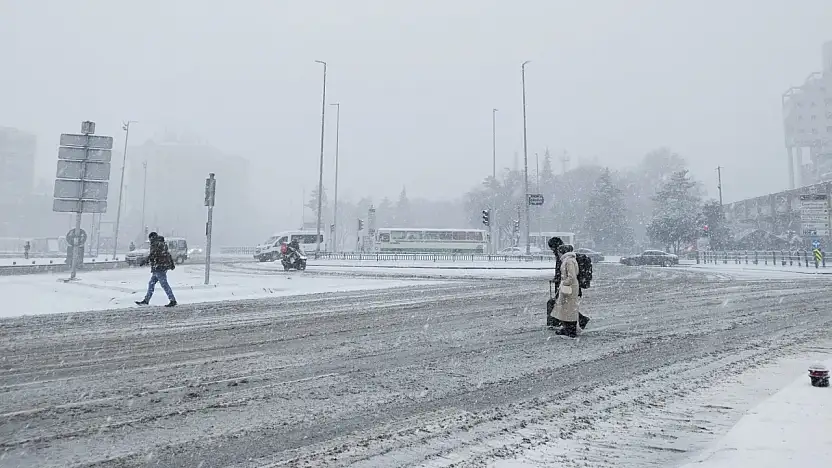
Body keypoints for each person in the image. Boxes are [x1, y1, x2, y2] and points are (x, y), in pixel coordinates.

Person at [135, 232, 177, 307]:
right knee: (151, 283)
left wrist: (145, 261)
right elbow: (167, 254)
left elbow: (153, 254)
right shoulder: (161, 243)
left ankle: (172, 300)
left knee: (164, 284)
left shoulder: (156, 244)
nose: (150, 240)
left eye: (150, 238)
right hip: (159, 267)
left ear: (152, 237)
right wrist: (171, 264)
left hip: (159, 267)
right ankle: (146, 300)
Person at [554, 244, 581, 337]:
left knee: (569, 309)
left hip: (570, 287)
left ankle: (570, 330)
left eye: (558, 252)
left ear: (562, 252)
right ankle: (568, 328)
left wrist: (564, 283)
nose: (558, 254)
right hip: (570, 287)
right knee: (567, 308)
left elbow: (572, 276)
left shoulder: (569, 261)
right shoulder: (569, 260)